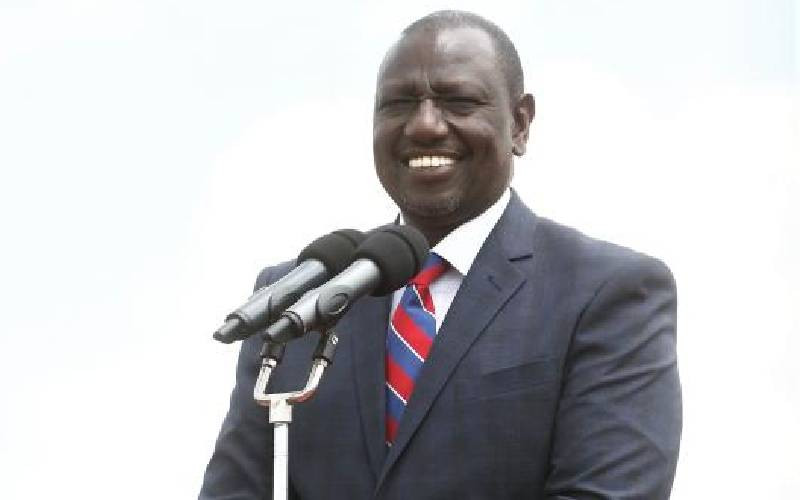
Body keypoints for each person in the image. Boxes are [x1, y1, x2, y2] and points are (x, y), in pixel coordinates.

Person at [200, 10, 681, 500]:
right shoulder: (301, 299)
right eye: (398, 104)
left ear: (519, 124)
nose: (425, 126)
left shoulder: (606, 294)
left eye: (459, 102)